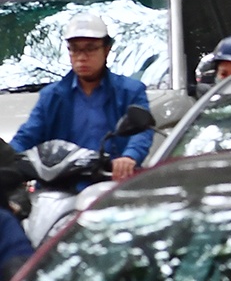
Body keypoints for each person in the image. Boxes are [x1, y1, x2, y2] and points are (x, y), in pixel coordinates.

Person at [11, 14, 154, 182]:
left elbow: (143, 132)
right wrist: (7, 158)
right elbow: (27, 136)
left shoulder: (130, 91)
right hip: (61, 185)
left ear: (106, 49)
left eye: (90, 48)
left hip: (111, 184)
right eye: (75, 49)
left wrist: (129, 157)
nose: (81, 57)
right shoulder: (52, 96)